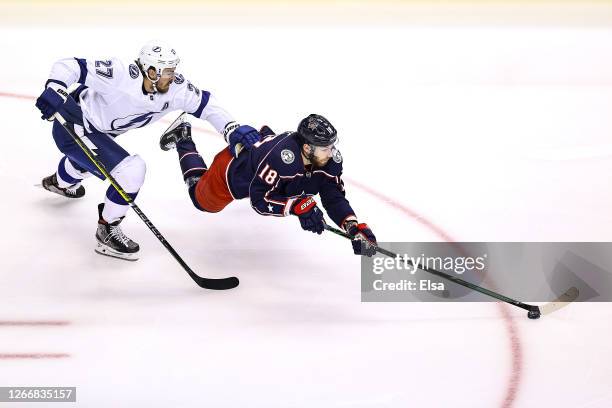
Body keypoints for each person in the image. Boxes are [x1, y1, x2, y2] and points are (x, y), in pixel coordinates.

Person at [34, 40, 260, 261]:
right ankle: (107, 229)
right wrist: (55, 87)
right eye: (167, 72)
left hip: (101, 132)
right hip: (75, 122)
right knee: (131, 171)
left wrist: (231, 129)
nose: (172, 77)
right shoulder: (120, 74)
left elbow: (207, 105)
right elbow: (70, 66)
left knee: (84, 162)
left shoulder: (175, 88)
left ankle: (60, 183)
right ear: (151, 71)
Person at [159, 113, 377, 256]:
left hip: (270, 168)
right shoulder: (281, 159)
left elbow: (333, 196)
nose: (330, 153)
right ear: (307, 148)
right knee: (201, 201)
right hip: (235, 172)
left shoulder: (327, 159)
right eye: (324, 148)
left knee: (289, 186)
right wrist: (295, 206)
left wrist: (352, 225)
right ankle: (182, 138)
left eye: (331, 146)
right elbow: (258, 200)